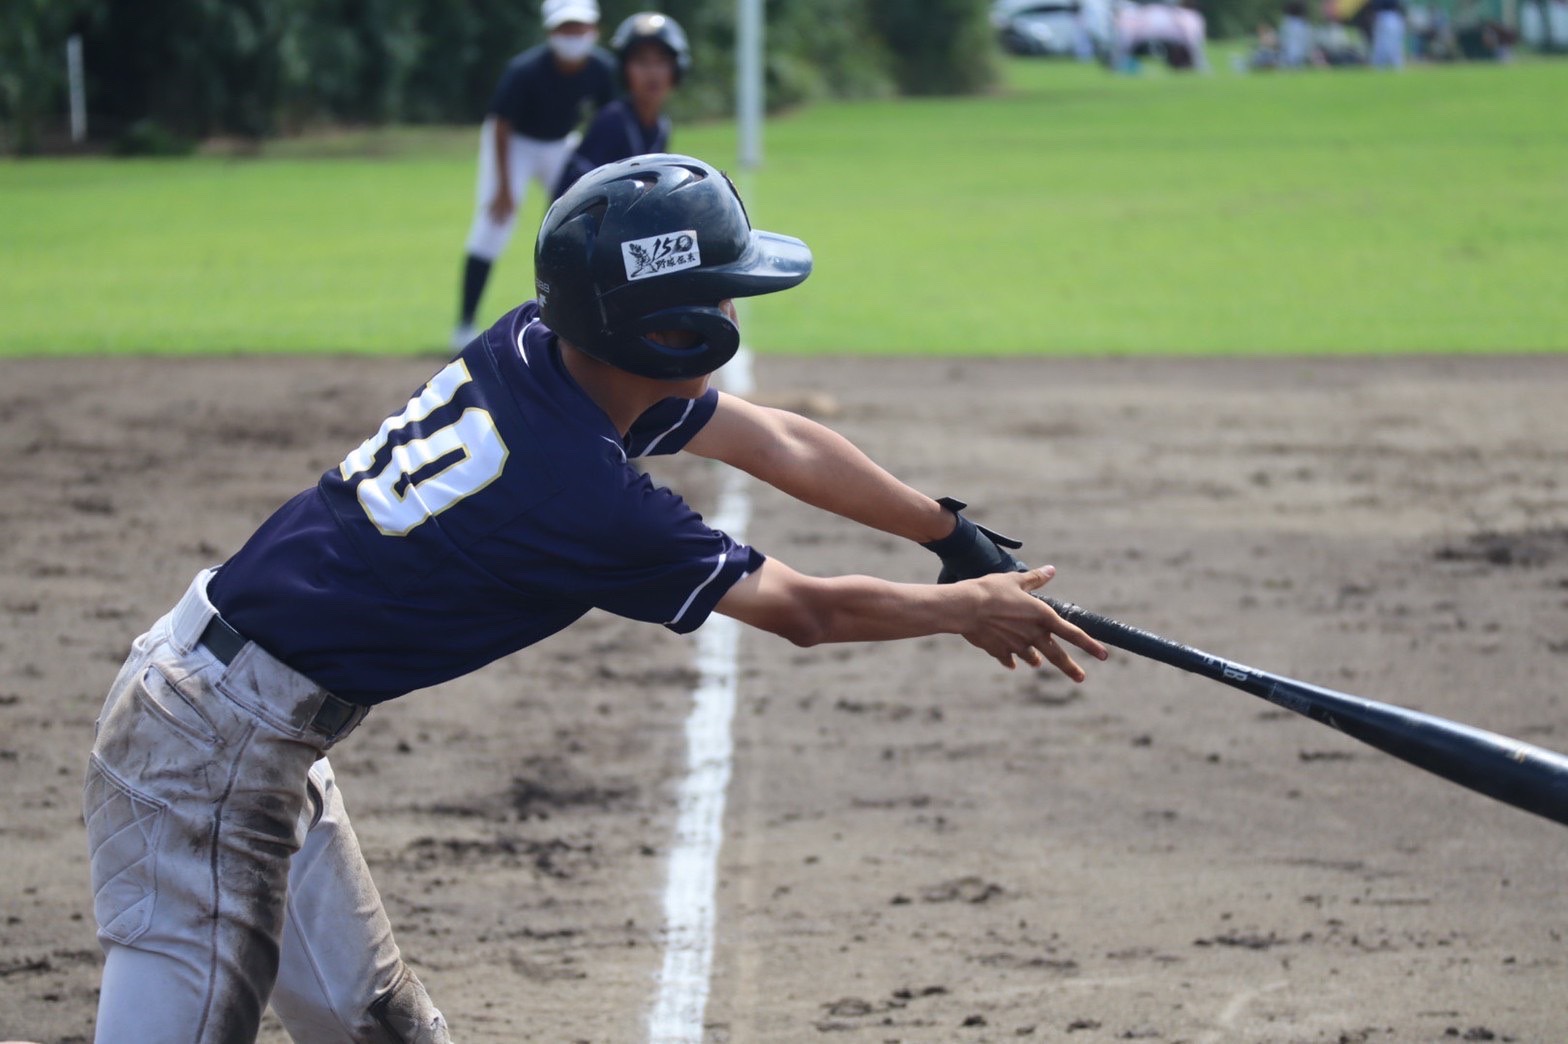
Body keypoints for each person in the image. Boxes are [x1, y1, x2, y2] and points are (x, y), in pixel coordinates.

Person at [82, 153, 1107, 1042]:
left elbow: (772, 439)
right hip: (209, 760)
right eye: (720, 296)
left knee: (378, 1030)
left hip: (241, 727)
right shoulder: (576, 494)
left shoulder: (543, 350)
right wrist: (966, 610)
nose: (735, 312)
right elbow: (805, 612)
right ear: (667, 335)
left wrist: (942, 530)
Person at [453, 0, 615, 353]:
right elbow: (500, 123)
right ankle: (464, 324)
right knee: (493, 227)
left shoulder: (602, 69)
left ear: (594, 30)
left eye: (579, 28)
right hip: (514, 145)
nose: (573, 36)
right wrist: (504, 187)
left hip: (560, 144)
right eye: (565, 29)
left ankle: (575, 320)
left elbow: (608, 118)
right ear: (550, 32)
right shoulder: (525, 70)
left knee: (579, 223)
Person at [553, 12, 688, 200]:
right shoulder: (613, 121)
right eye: (641, 62)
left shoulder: (661, 126)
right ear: (624, 71)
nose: (652, 72)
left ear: (677, 70)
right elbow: (583, 197)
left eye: (661, 62)